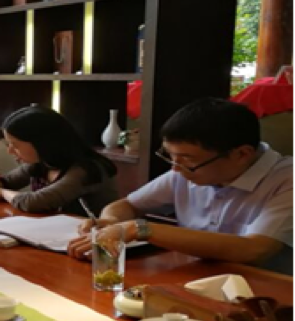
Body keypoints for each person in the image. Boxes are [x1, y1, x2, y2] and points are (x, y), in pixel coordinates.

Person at [68, 98, 294, 274]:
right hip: (194, 276)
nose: (175, 169)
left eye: (187, 159)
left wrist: (140, 228)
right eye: (170, 157)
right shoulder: (186, 172)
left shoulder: (286, 179)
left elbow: (254, 249)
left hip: (266, 295)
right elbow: (127, 205)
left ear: (242, 154)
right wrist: (111, 221)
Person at [0, 106, 118, 214]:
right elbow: (7, 181)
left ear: (41, 143)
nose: (10, 151)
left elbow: (34, 202)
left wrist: (1, 193)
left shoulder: (86, 170)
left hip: (95, 240)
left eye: (15, 145)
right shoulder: (44, 163)